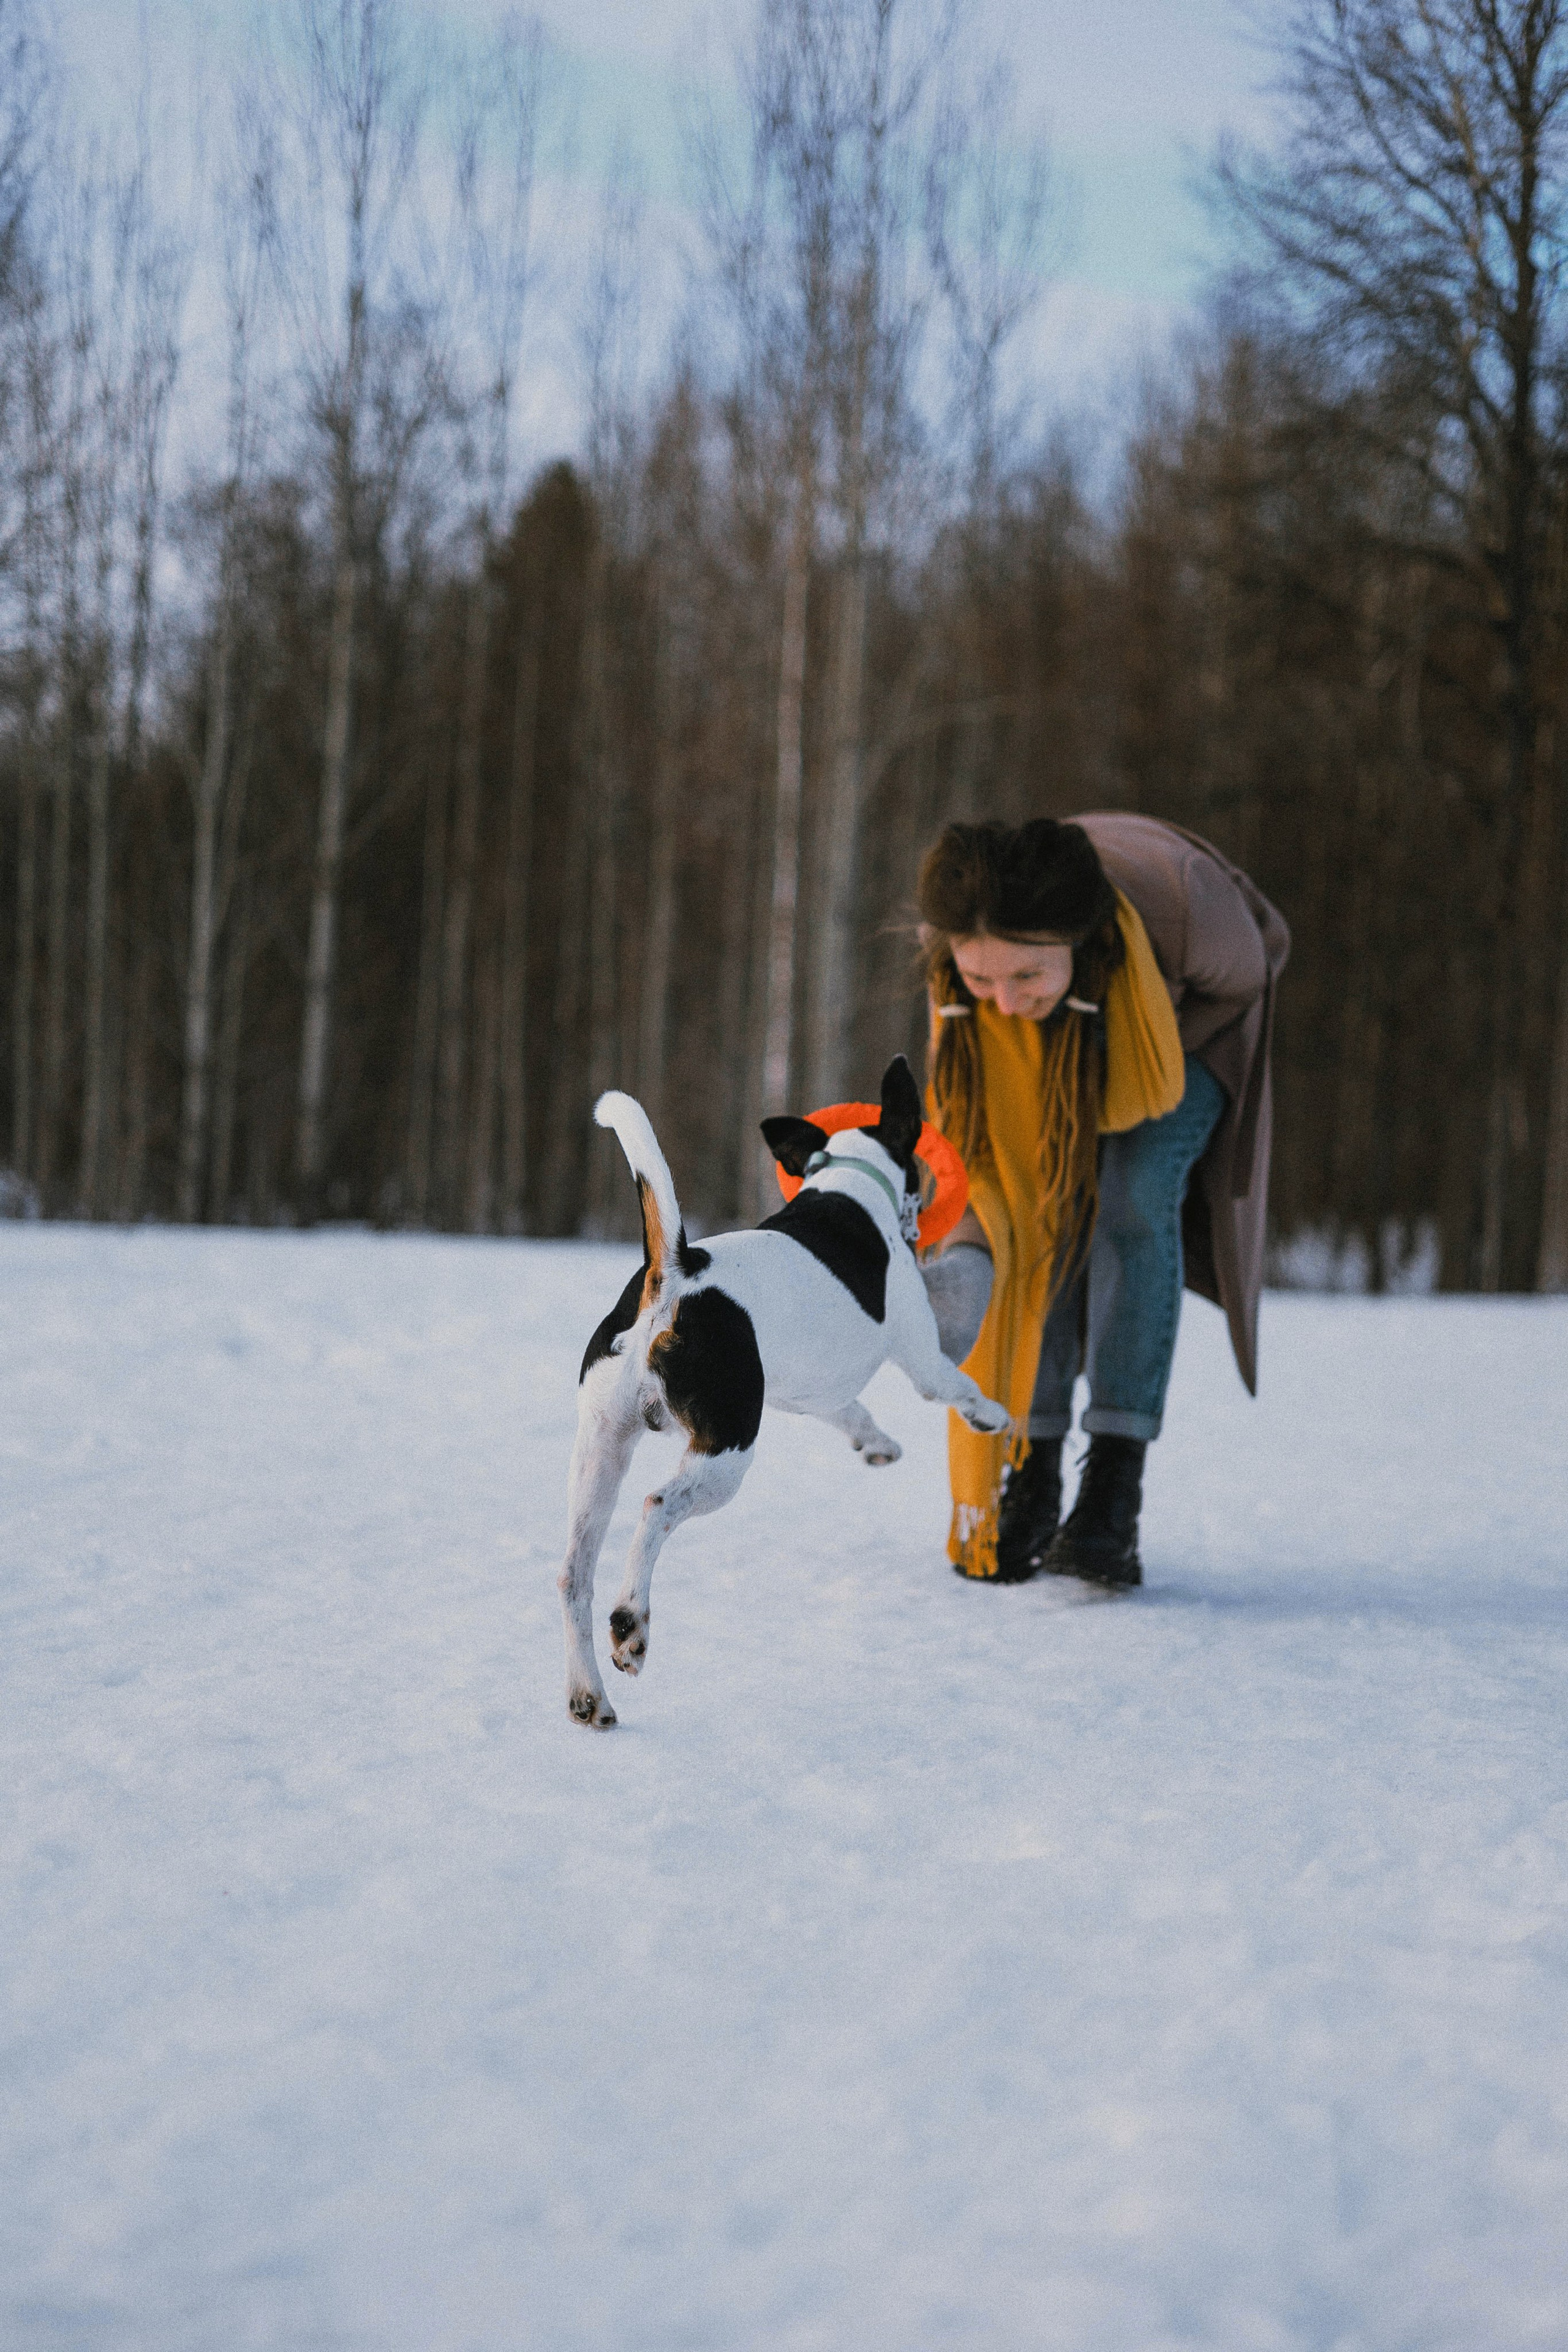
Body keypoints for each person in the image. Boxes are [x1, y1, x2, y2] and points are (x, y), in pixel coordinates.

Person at [918, 813, 1289, 1586]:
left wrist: (1143, 1046)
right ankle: (1033, 1468)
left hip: (1189, 1032)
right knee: (1041, 1213)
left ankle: (1112, 1493)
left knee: (1129, 1198)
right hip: (1066, 1039)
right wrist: (971, 1250)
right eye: (982, 980)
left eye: (1027, 976)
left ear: (1077, 942)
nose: (1003, 1002)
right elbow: (978, 1157)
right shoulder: (956, 957)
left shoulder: (1185, 908)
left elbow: (1258, 962)